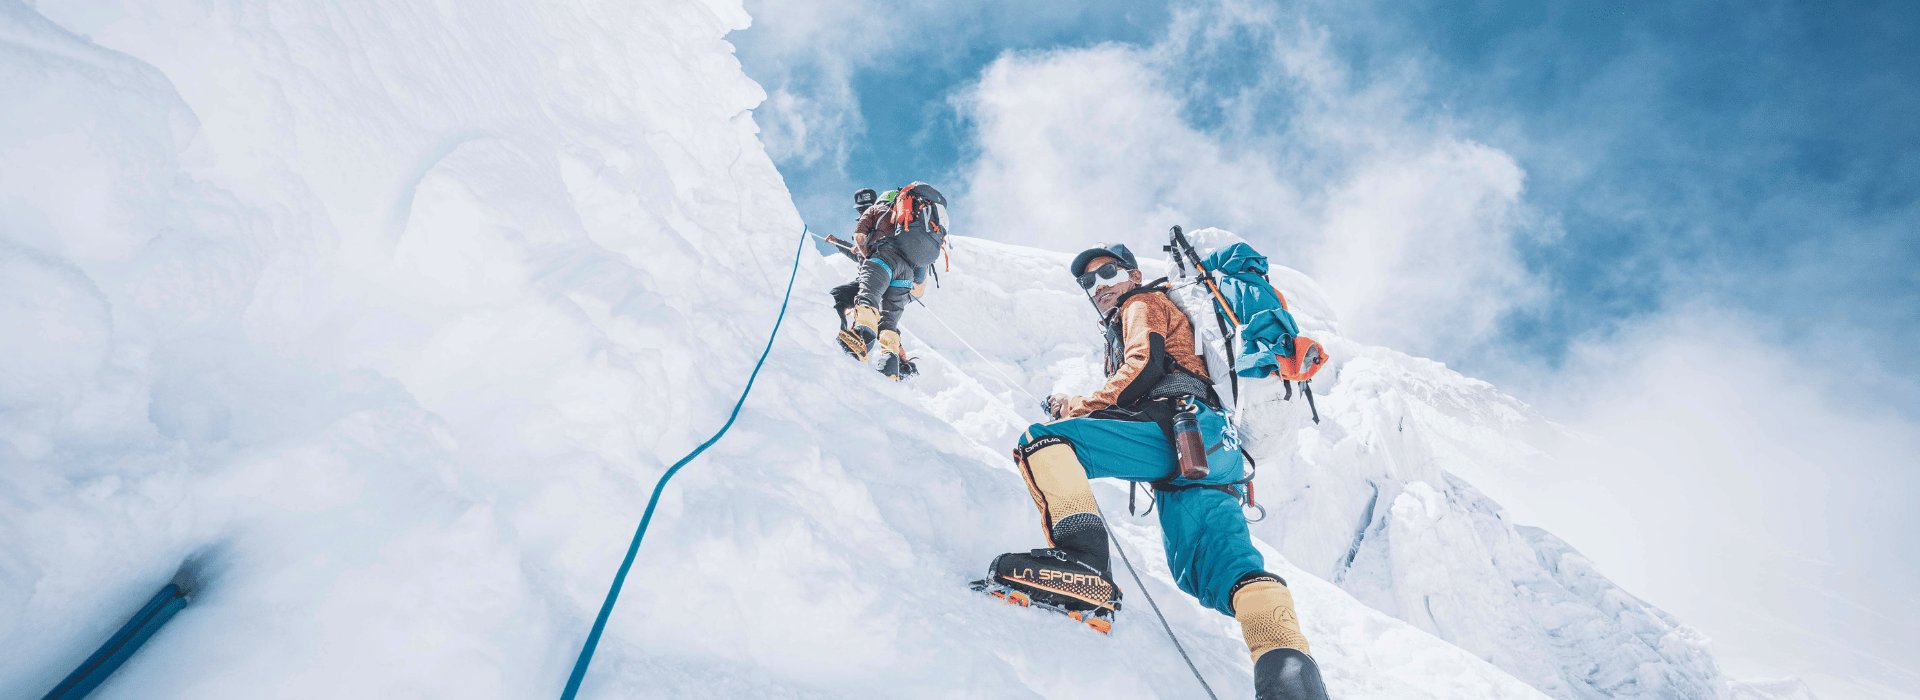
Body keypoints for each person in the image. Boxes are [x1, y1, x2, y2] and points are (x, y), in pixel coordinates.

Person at [981, 244, 1329, 700]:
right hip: (1215, 453)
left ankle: (1083, 566)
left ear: (1134, 273)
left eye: (1108, 272)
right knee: (1221, 572)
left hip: (1182, 428)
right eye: (1089, 282)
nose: (1099, 286)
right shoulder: (1148, 308)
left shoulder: (1141, 302)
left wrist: (1077, 407)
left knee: (1046, 441)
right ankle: (1291, 680)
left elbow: (1142, 368)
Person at [833, 185, 939, 380]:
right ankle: (892, 366)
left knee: (865, 298)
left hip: (882, 262)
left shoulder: (875, 212)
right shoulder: (908, 230)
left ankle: (860, 339)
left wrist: (865, 255)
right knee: (889, 321)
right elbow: (919, 277)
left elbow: (859, 239)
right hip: (905, 277)